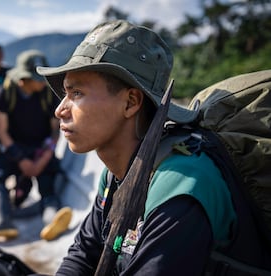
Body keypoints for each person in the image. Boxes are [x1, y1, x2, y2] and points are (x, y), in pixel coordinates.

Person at [35, 20, 239, 275]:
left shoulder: (181, 185)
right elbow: (84, 254)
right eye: (65, 94)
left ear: (131, 102)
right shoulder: (115, 175)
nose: (60, 110)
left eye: (76, 93)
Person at [0, 49, 72, 241]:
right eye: (35, 78)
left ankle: (52, 218)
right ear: (22, 80)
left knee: (49, 176)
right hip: (14, 148)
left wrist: (43, 159)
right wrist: (21, 160)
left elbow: (56, 131)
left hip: (40, 148)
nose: (40, 81)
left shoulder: (48, 94)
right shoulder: (5, 93)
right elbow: (2, 132)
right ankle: (2, 220)